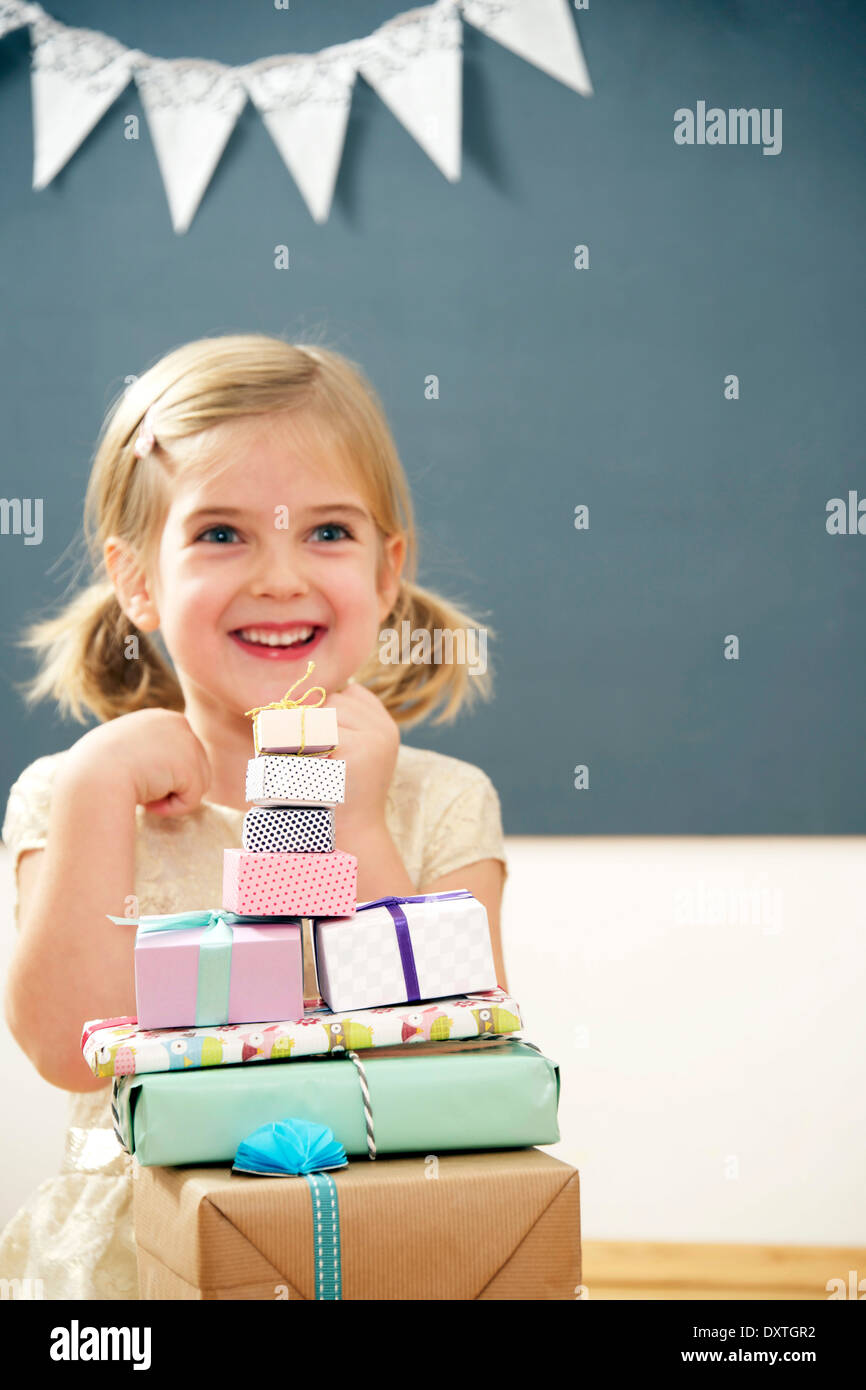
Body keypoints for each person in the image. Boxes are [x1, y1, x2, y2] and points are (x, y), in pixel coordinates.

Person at [0, 333, 508, 1300]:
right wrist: (98, 787)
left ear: (386, 570)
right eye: (222, 534)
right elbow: (68, 1048)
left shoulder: (440, 801)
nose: (280, 576)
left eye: (327, 533)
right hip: (138, 1258)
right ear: (137, 579)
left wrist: (350, 823)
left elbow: (460, 1071)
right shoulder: (75, 792)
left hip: (375, 1238)